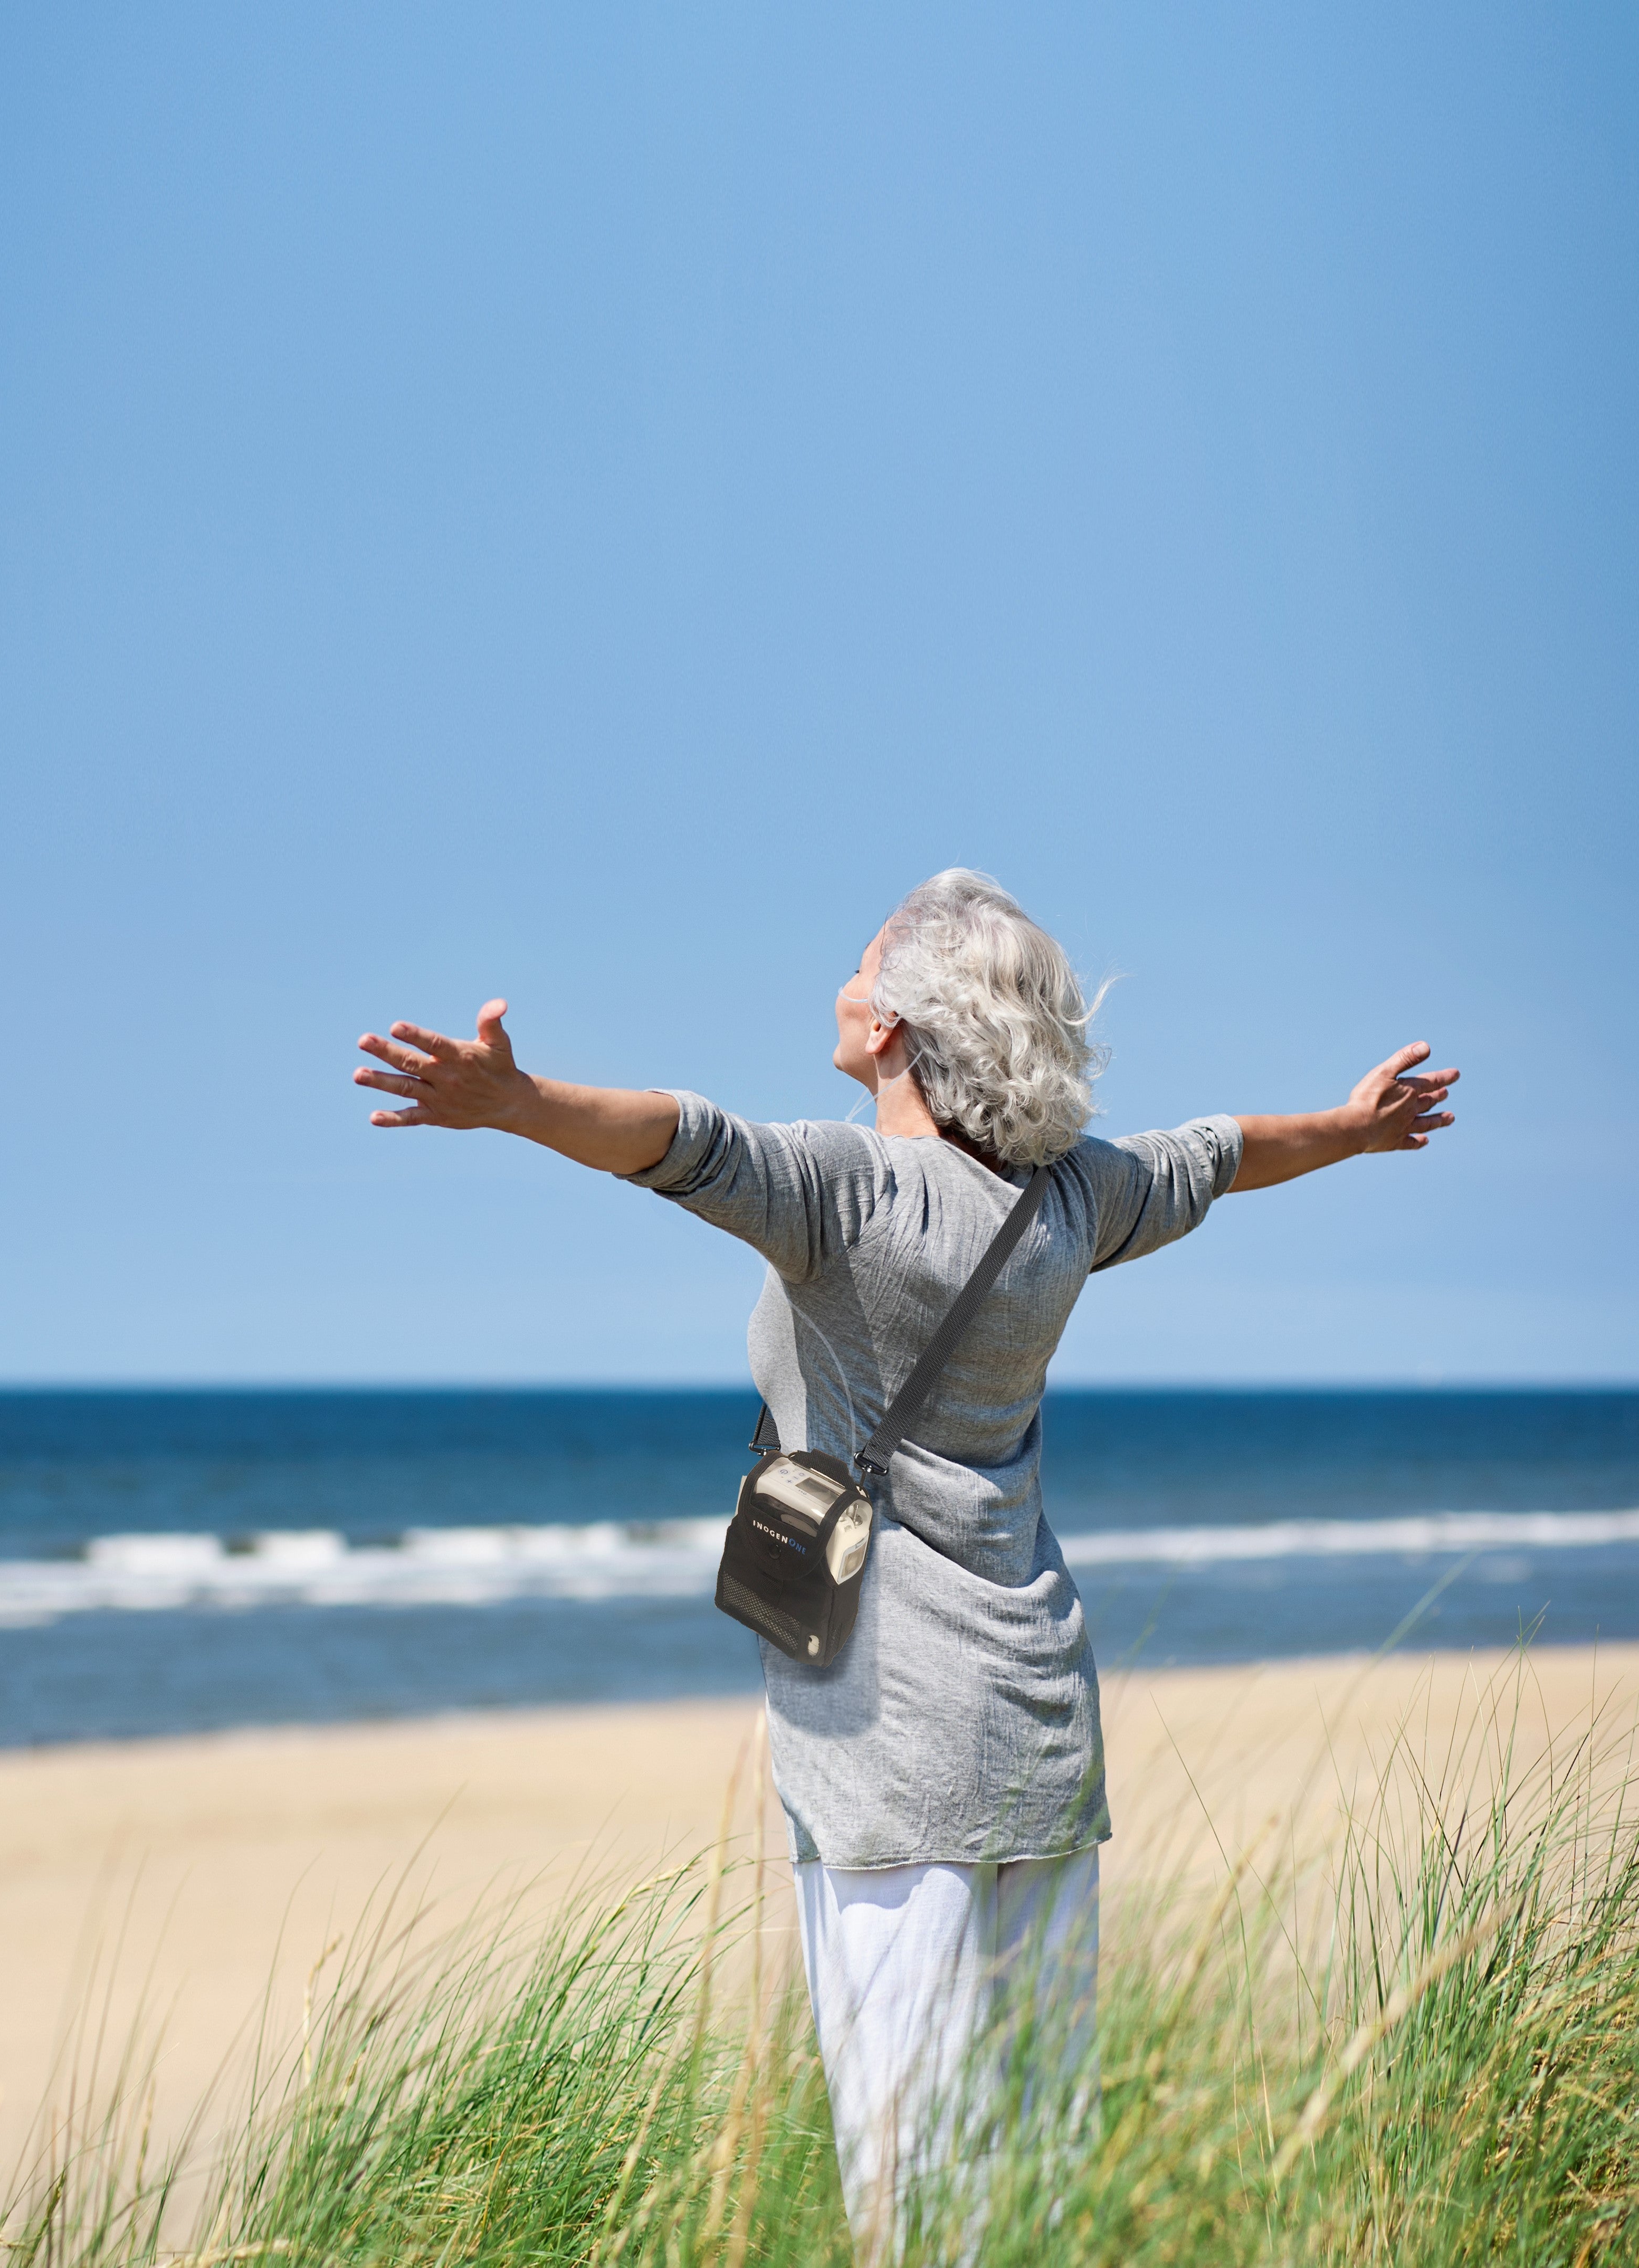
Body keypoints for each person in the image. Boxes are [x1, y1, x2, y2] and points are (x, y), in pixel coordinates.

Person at [351, 868, 1457, 2256]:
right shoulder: (1069, 1201)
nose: (840, 983)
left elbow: (681, 1139)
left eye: (863, 967)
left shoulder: (845, 1188)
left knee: (906, 2188)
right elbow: (1217, 1152)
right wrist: (1353, 1132)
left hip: (893, 1751)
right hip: (1045, 1733)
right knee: (1033, 2181)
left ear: (902, 1027)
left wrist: (522, 1104)